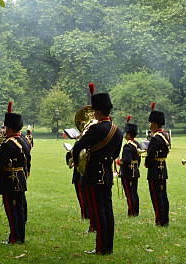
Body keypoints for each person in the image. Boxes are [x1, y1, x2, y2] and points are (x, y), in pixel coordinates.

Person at [67, 86, 122, 255]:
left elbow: (78, 146)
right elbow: (115, 154)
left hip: (92, 175)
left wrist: (76, 161)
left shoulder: (95, 129)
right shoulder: (117, 130)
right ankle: (108, 247)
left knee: (98, 212)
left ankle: (100, 248)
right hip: (106, 174)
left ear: (97, 112)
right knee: (108, 210)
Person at [0, 101, 31, 244]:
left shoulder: (9, 144)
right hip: (20, 178)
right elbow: (28, 159)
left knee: (12, 210)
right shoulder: (24, 140)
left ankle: (14, 238)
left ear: (9, 127)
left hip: (10, 180)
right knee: (19, 209)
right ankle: (19, 236)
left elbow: (0, 163)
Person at [145, 102, 170, 227]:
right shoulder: (165, 135)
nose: (150, 125)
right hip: (162, 167)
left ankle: (160, 220)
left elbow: (150, 155)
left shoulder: (156, 138)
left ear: (154, 123)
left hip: (154, 169)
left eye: (151, 123)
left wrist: (146, 163)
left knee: (156, 196)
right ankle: (165, 219)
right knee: (163, 195)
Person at [117, 117, 140, 217]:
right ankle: (136, 211)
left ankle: (132, 212)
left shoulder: (127, 146)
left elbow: (127, 160)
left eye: (126, 133)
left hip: (128, 172)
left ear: (129, 134)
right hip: (135, 171)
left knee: (129, 194)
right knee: (134, 192)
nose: (125, 135)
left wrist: (119, 162)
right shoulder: (137, 144)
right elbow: (138, 159)